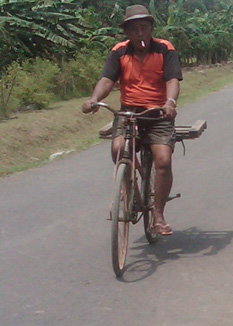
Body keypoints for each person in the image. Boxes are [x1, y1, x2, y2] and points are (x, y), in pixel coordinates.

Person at [82, 4, 182, 236]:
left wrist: (170, 103)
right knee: (118, 149)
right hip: (129, 113)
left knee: (163, 160)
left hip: (158, 113)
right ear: (127, 32)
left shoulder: (165, 49)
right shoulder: (119, 51)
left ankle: (158, 214)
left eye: (144, 28)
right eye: (134, 29)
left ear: (150, 29)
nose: (140, 33)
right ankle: (135, 185)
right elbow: (107, 79)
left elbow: (172, 80)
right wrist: (94, 99)